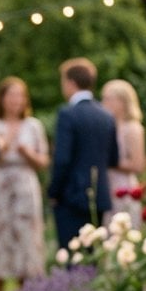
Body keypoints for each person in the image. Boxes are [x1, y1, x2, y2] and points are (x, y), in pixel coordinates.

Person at [0, 77, 48, 291]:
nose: (15, 100)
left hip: (25, 186)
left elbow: (43, 161)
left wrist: (28, 153)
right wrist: (3, 146)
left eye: (20, 95)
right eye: (11, 95)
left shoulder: (33, 126)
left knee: (25, 241)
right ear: (2, 98)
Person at [49, 59, 119, 250]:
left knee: (72, 253)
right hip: (99, 194)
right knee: (92, 254)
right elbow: (113, 158)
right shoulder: (106, 115)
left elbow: (62, 159)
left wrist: (53, 191)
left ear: (71, 82)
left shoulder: (68, 114)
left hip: (71, 196)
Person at [100, 78, 146, 227]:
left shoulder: (132, 128)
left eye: (107, 99)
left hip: (124, 187)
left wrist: (109, 161)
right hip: (108, 185)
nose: (102, 103)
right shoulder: (109, 126)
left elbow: (138, 164)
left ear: (122, 101)